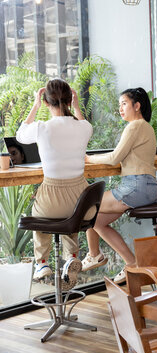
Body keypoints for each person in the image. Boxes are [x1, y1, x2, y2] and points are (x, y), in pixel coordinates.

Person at [16, 79, 93, 289]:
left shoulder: (42, 128)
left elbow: (20, 135)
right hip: (82, 204)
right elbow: (85, 125)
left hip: (51, 201)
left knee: (37, 211)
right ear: (70, 99)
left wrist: (35, 105)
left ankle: (42, 263)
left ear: (46, 101)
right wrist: (76, 107)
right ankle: (72, 256)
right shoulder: (83, 127)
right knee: (71, 214)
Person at [82, 87, 157, 283]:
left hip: (136, 185)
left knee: (87, 205)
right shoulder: (147, 127)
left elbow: (116, 157)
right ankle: (131, 264)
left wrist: (88, 160)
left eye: (124, 103)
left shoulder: (135, 126)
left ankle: (94, 255)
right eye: (119, 105)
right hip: (147, 186)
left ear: (137, 105)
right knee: (97, 221)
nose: (120, 109)